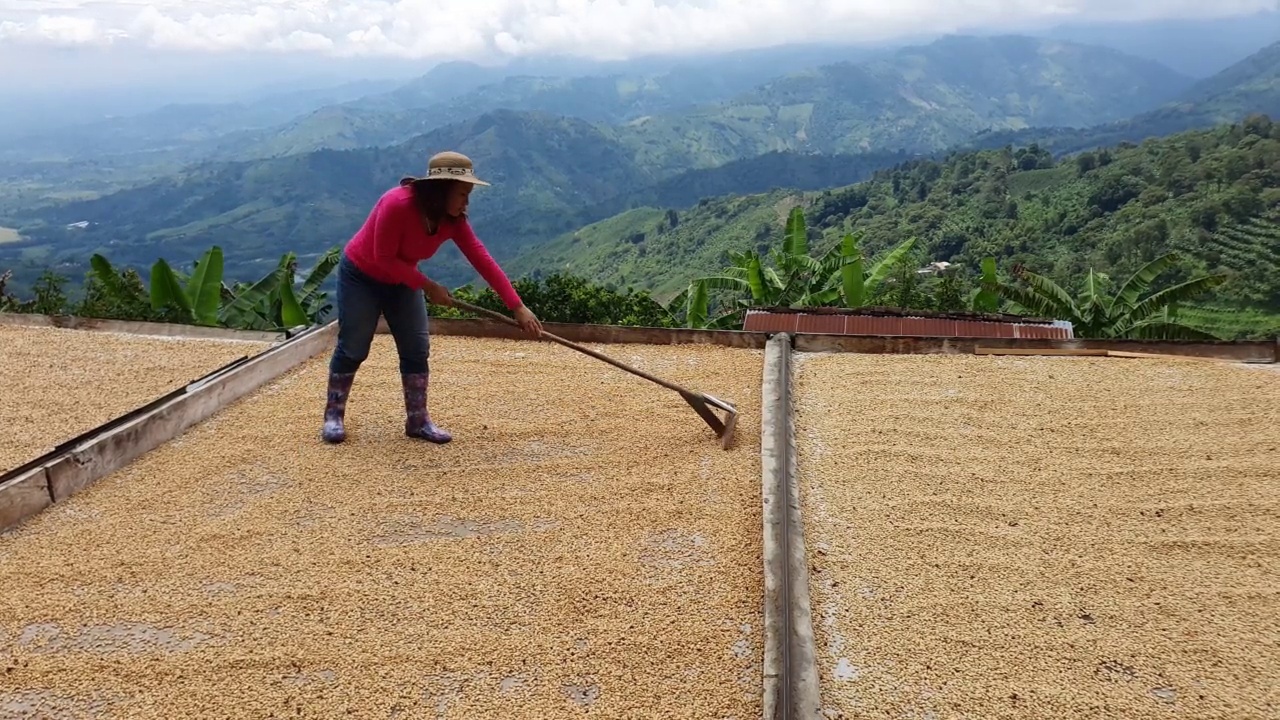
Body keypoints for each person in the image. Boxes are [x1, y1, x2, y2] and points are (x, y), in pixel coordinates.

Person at [320, 150, 543, 445]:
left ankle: (418, 420)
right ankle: (333, 415)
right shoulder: (396, 204)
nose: (466, 202)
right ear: (442, 189)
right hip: (362, 276)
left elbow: (482, 260)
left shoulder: (454, 220)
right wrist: (428, 286)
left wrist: (518, 307)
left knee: (416, 347)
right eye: (463, 193)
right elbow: (383, 258)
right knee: (354, 345)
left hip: (403, 280)